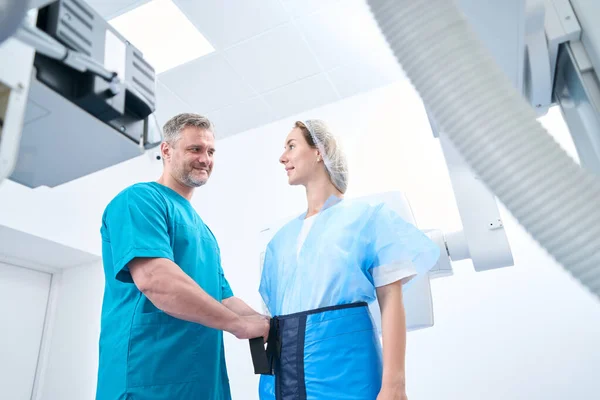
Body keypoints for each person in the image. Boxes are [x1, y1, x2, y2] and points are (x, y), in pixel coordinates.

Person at [258, 120, 440, 400]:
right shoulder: (279, 241)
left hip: (346, 375)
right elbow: (271, 320)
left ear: (319, 151)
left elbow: (391, 300)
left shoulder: (366, 218)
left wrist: (394, 385)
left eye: (292, 146)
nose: (283, 157)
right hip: (283, 382)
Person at [96, 113, 270, 400]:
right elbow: (156, 280)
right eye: (195, 149)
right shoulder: (141, 200)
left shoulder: (204, 232)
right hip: (149, 378)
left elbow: (223, 298)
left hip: (201, 383)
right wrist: (239, 325)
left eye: (210, 151)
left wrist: (267, 323)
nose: (205, 159)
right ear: (166, 150)